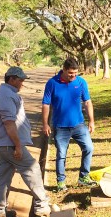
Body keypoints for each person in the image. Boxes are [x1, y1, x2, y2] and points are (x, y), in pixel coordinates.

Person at [0, 66, 50, 217]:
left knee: (2, 175)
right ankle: (41, 205)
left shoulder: (7, 93)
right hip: (9, 144)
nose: (22, 83)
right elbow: (9, 123)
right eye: (20, 80)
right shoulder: (6, 96)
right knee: (32, 168)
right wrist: (17, 146)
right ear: (11, 79)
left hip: (4, 144)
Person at [42, 58, 97, 192]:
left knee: (89, 148)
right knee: (61, 154)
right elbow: (46, 104)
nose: (73, 76)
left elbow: (88, 102)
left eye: (76, 73)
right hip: (60, 127)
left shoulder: (81, 82)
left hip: (79, 125)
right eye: (71, 73)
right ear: (64, 70)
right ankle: (61, 182)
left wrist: (91, 121)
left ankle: (83, 177)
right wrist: (45, 124)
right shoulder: (52, 83)